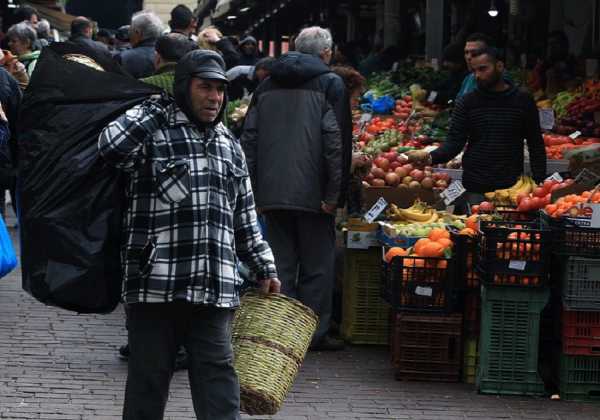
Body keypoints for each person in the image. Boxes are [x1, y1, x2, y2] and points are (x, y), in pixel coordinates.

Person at [99, 49, 280, 419]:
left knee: (218, 382)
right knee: (148, 382)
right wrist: (156, 107)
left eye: (219, 90)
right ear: (184, 87)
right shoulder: (154, 129)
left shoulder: (229, 145)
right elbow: (110, 147)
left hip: (213, 287)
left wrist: (264, 266)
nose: (214, 98)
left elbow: (243, 215)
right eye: (204, 88)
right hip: (155, 285)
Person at [241, 26, 352, 351]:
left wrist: (253, 191)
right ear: (326, 53)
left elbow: (250, 139)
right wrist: (334, 195)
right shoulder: (331, 83)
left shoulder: (266, 84)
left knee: (280, 264)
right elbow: (335, 143)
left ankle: (279, 334)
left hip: (272, 193)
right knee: (318, 266)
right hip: (314, 195)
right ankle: (312, 336)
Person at [407, 47, 547, 213]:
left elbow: (535, 142)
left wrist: (539, 182)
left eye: (483, 69)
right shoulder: (468, 102)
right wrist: (430, 157)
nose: (478, 75)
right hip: (475, 185)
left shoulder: (522, 100)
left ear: (499, 66)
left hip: (512, 187)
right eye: (474, 71)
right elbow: (454, 142)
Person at [117, 10, 163, 78]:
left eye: (130, 30)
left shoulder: (122, 58)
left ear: (138, 33)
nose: (128, 34)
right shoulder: (167, 56)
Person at [531, 30, 577, 95]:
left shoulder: (573, 62)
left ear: (564, 45)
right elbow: (537, 88)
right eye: (550, 44)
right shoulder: (544, 65)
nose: (552, 47)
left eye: (555, 44)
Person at [456, 32, 494, 98]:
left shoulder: (495, 79)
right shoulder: (468, 78)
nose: (468, 57)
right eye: (466, 52)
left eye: (474, 52)